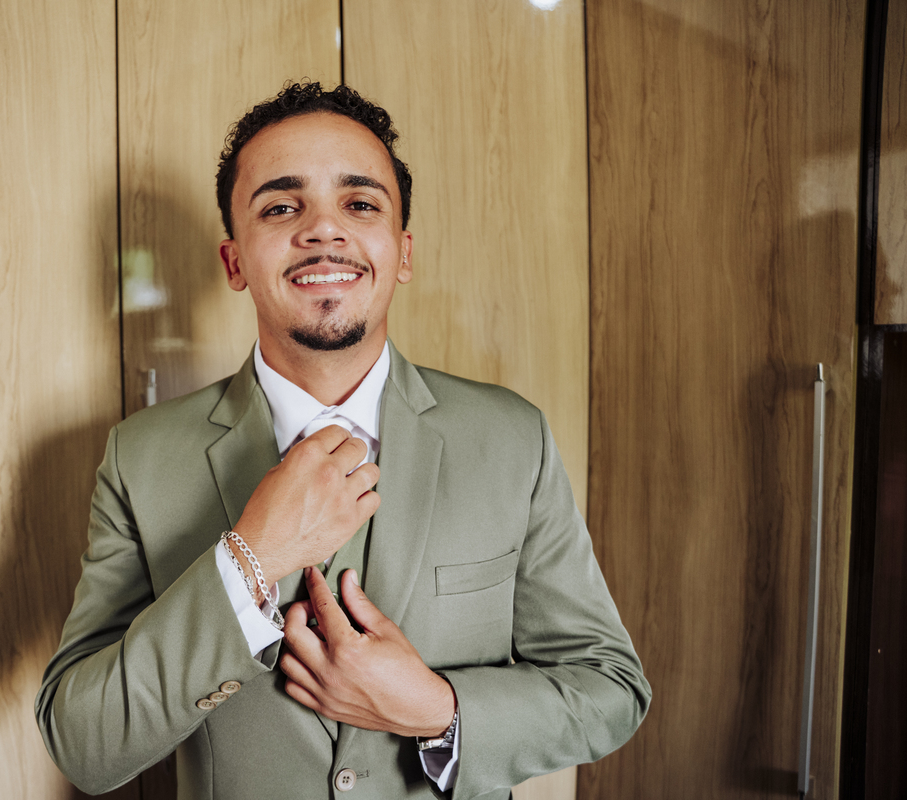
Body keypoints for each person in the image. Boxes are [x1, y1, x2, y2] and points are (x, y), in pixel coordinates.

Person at [35, 81, 650, 799]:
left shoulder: (515, 440)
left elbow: (612, 690)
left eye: (359, 204)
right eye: (281, 207)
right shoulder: (137, 458)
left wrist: (437, 710)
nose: (323, 230)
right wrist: (251, 559)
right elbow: (83, 744)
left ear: (403, 252)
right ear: (234, 262)